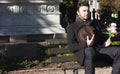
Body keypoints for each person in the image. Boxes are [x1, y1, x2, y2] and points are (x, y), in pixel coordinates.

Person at [66, 2, 120, 74]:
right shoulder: (72, 27)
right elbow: (71, 47)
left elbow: (101, 38)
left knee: (118, 51)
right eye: (84, 11)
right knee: (89, 51)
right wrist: (86, 44)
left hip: (98, 51)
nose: (86, 13)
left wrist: (107, 39)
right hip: (85, 54)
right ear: (78, 13)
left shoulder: (94, 24)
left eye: (88, 11)